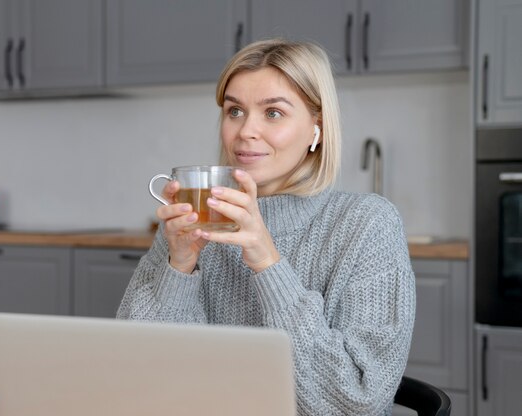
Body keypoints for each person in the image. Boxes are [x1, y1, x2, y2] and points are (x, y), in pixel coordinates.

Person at [117, 38, 416, 416]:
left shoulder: (368, 225)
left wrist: (267, 262)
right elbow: (133, 374)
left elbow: (357, 402)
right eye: (235, 111)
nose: (245, 132)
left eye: (273, 113)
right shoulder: (194, 220)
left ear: (316, 129)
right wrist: (179, 267)